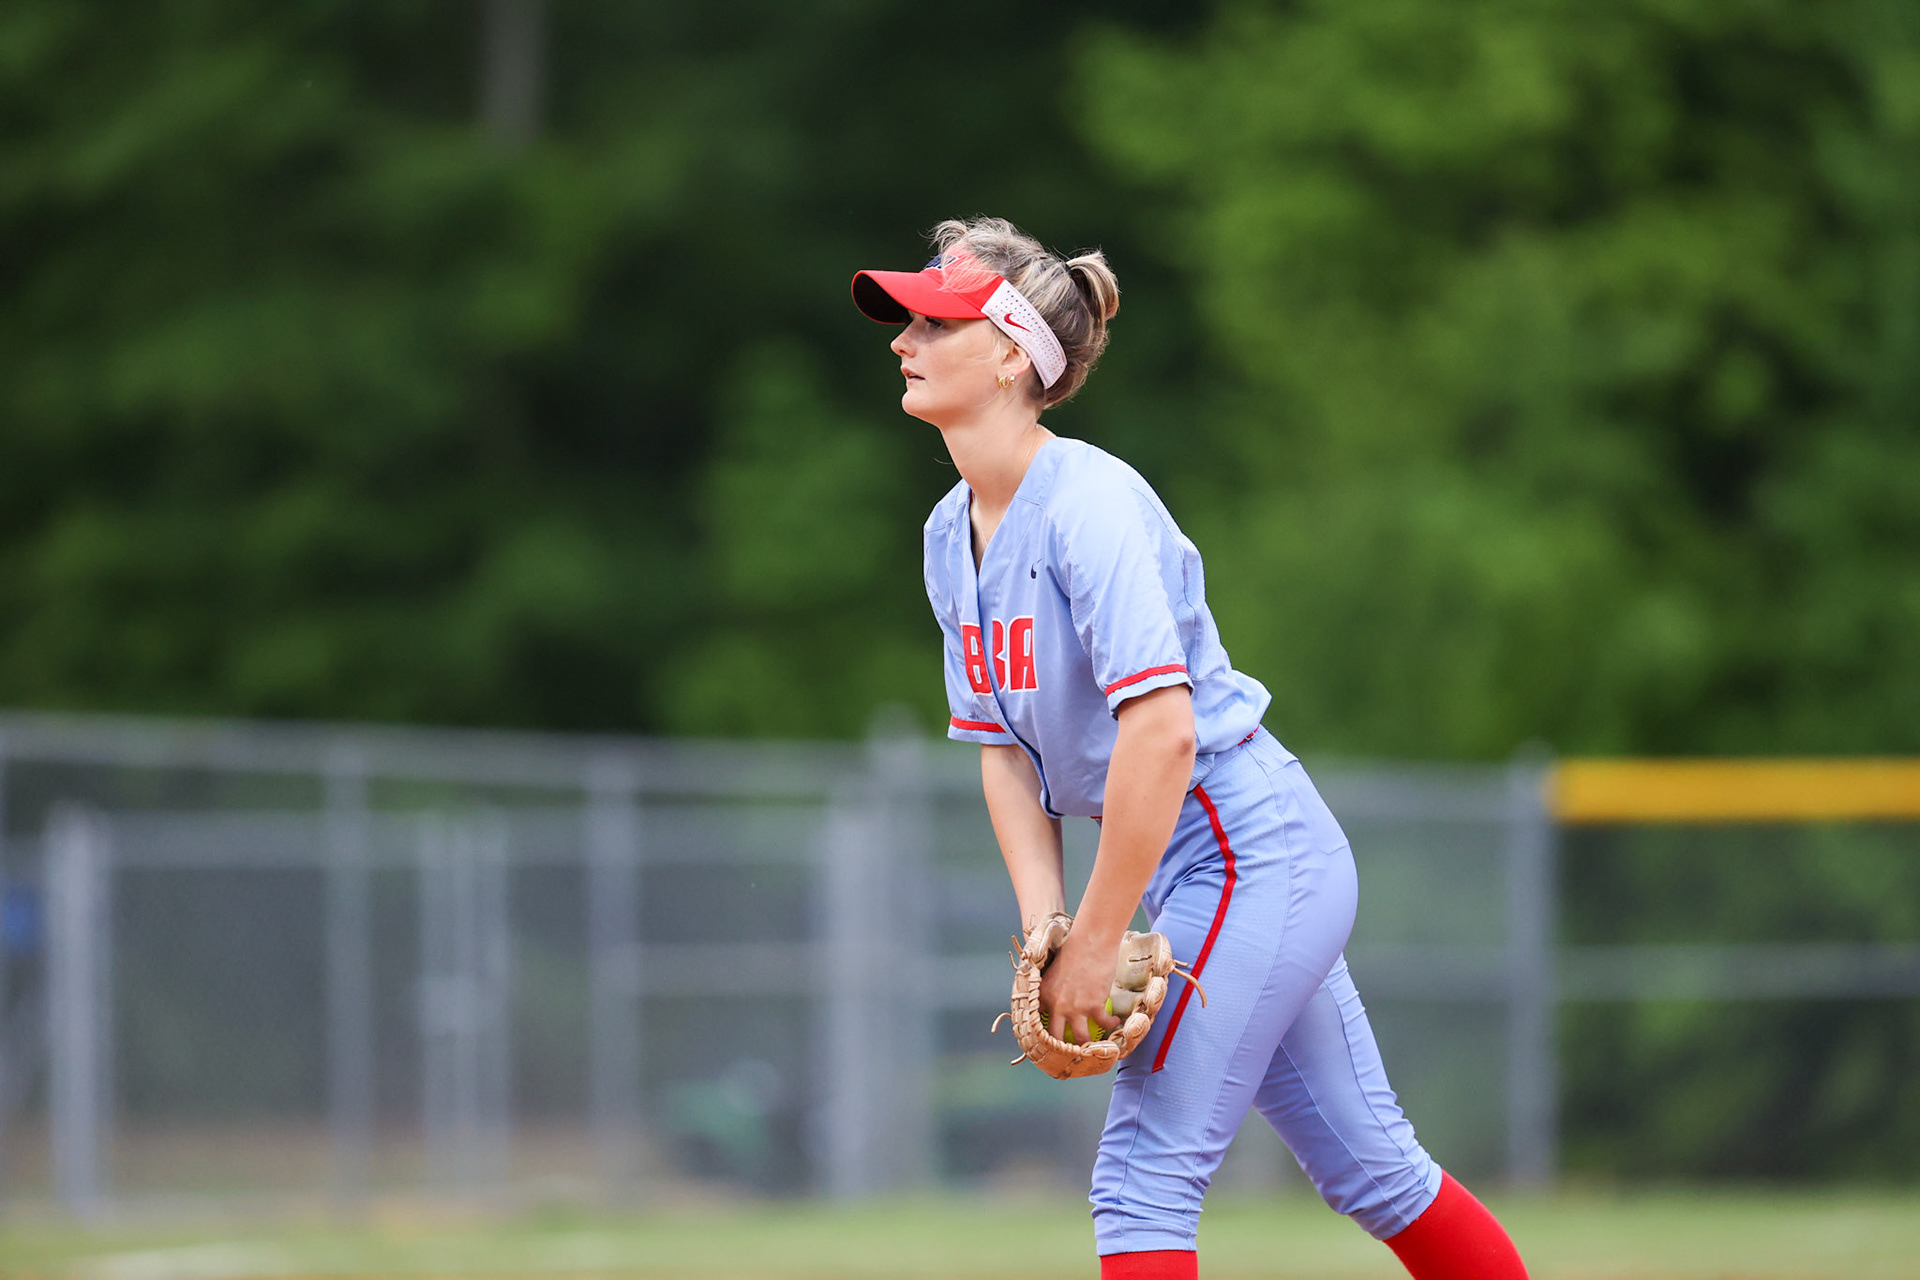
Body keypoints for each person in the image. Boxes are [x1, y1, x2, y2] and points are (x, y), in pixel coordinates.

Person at [851, 217, 1529, 1280]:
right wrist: (1047, 924)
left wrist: (1102, 932)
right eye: (907, 320)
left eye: (936, 319)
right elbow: (999, 749)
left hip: (1255, 846)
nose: (904, 339)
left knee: (1141, 1173)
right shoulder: (951, 534)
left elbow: (1161, 734)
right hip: (1199, 865)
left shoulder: (1092, 504)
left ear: (1010, 352)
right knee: (1374, 1168)